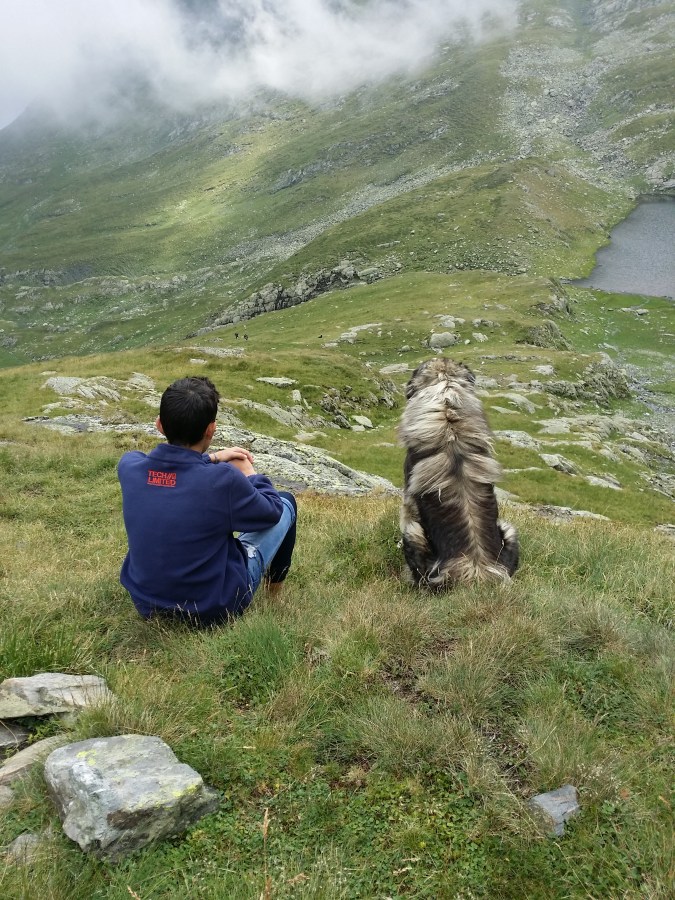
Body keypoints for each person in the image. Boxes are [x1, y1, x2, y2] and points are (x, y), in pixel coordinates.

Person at [117, 376, 297, 626]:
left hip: (147, 604)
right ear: (210, 429)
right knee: (286, 502)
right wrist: (250, 474)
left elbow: (173, 474)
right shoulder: (222, 480)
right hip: (213, 609)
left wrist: (212, 458)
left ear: (159, 425)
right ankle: (274, 598)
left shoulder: (129, 467)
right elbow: (271, 511)